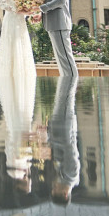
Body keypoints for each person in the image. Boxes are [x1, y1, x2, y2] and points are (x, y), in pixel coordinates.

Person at [0, 0, 37, 190]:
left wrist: (30, 9)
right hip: (12, 21)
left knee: (22, 48)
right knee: (13, 48)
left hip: (19, 21)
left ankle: (20, 76)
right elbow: (4, 4)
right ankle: (12, 77)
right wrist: (21, 8)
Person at [47, 72, 80, 205]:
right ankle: (70, 77)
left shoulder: (64, 176)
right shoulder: (71, 175)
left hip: (59, 128)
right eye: (55, 190)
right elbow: (68, 147)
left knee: (62, 96)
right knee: (66, 94)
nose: (53, 186)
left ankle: (69, 77)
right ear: (65, 194)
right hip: (64, 126)